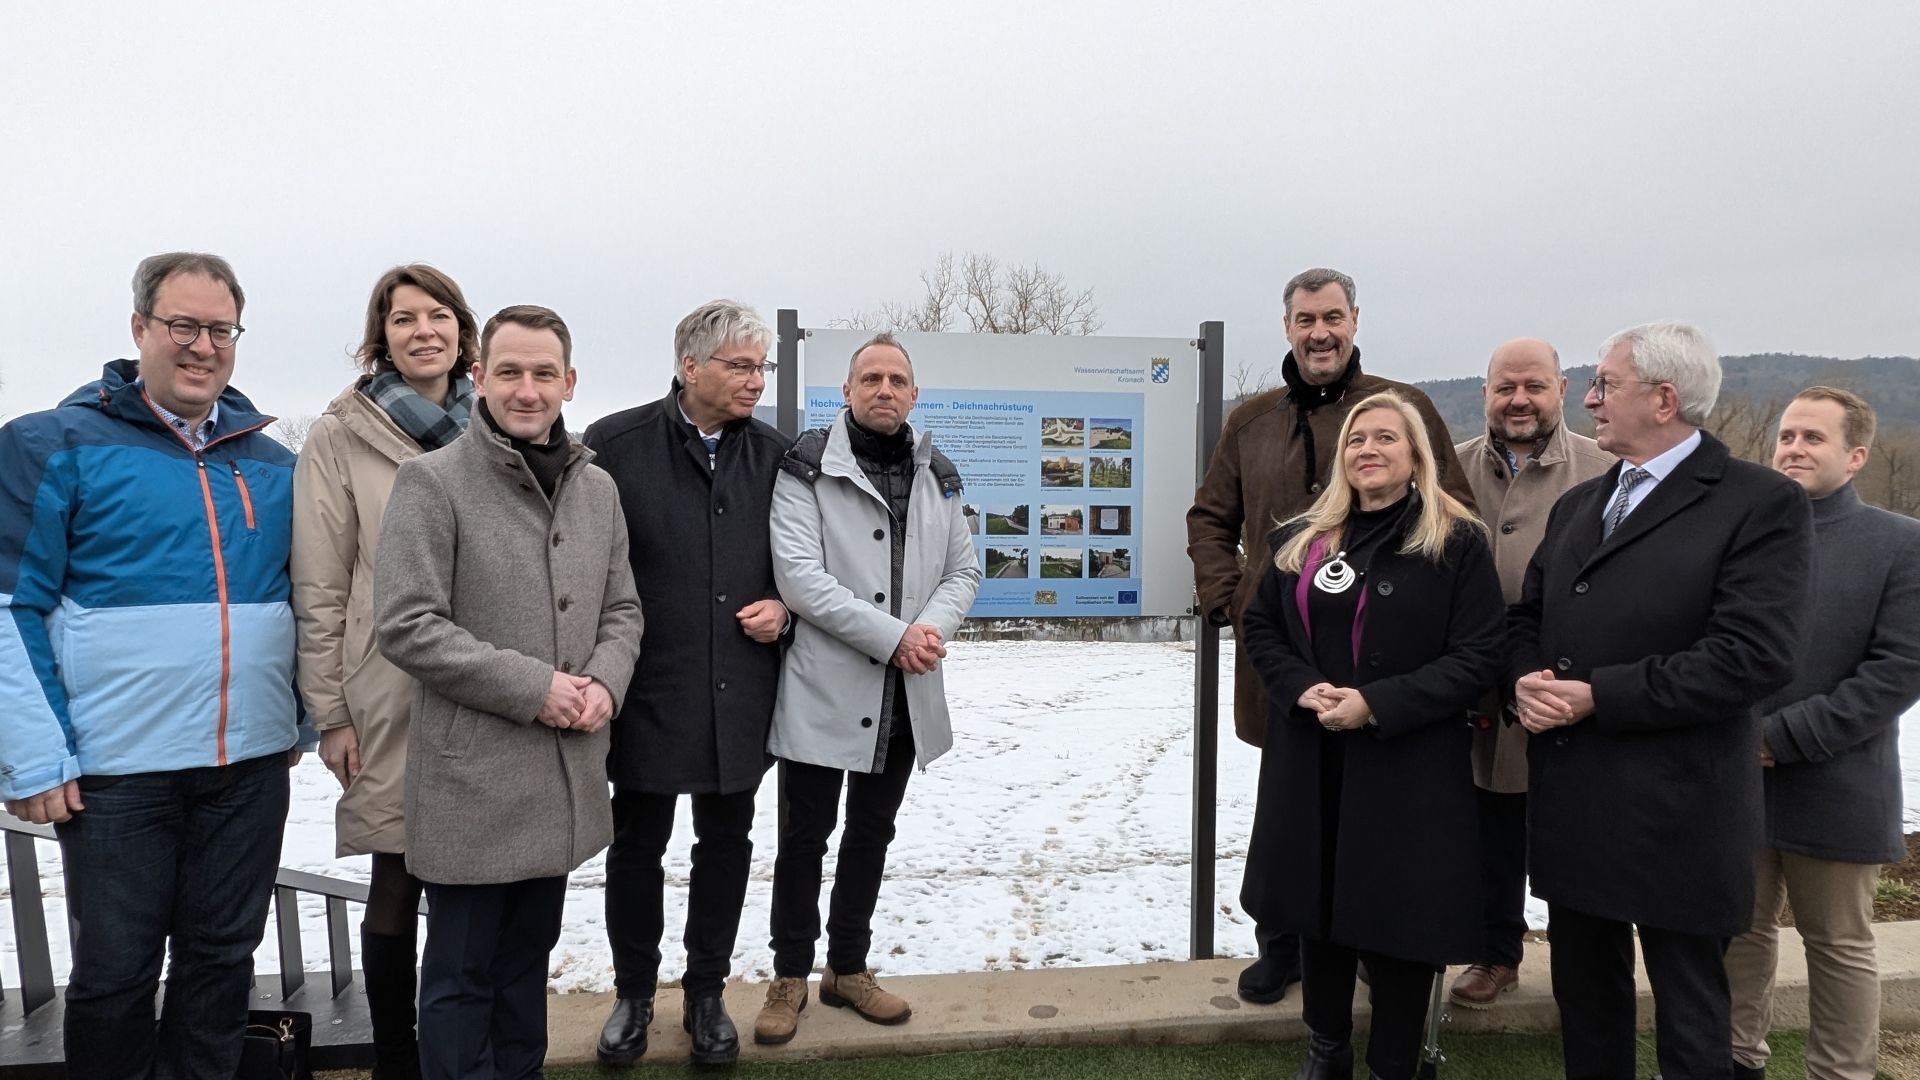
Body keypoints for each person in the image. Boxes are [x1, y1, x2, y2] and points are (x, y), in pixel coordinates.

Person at [0, 252, 311, 1076]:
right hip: (117, 776)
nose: (202, 346)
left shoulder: (272, 463)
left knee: (222, 965)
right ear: (139, 328)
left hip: (249, 769)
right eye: (183, 325)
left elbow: (309, 600)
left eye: (220, 330)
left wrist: (301, 717)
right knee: (115, 977)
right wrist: (33, 754)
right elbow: (7, 605)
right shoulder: (50, 443)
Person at [1511, 321, 1812, 1080]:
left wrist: (1599, 696)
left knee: (1691, 1015)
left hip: (1682, 810)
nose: (1590, 399)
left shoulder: (1760, 502)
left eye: (1605, 385)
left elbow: (1751, 657)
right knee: (1587, 1002)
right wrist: (1523, 679)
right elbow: (1527, 618)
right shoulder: (1581, 504)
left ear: (1665, 399)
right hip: (1578, 801)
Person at [1187, 267, 1474, 1002]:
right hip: (1284, 657)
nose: (1321, 333)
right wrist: (1230, 599)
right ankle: (1283, 944)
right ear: (1287, 327)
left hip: (1389, 665)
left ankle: (1371, 942)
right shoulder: (1250, 422)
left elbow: (1453, 511)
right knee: (1290, 809)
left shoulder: (1402, 409)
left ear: (1355, 321)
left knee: (1377, 813)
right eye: (1307, 319)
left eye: (1333, 318)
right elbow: (1211, 518)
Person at [374, 305, 642, 1079]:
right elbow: (407, 626)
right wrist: (536, 688)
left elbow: (623, 608)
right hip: (472, 789)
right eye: (511, 372)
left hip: (562, 782)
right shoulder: (431, 482)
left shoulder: (598, 490)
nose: (528, 390)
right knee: (460, 979)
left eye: (544, 373)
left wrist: (606, 681)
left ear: (569, 381)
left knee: (526, 968)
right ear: (480, 377)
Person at [1239, 391, 1505, 1080]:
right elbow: (1261, 625)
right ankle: (1327, 1047)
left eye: (1386, 437)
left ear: (1416, 454)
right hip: (1313, 760)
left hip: (1408, 768)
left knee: (1401, 924)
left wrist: (1378, 703)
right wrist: (1300, 685)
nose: (1368, 449)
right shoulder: (1302, 538)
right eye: (1357, 439)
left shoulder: (1456, 541)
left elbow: (1479, 656)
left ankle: (1395, 1062)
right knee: (1318, 910)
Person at [753, 332, 981, 1044]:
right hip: (826, 687)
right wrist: (895, 637)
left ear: (914, 395)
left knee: (872, 834)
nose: (885, 389)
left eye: (897, 380)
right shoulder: (807, 467)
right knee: (804, 839)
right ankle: (789, 975)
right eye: (871, 378)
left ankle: (847, 969)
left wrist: (928, 632)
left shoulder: (939, 474)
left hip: (905, 692)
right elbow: (800, 579)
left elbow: (963, 572)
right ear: (847, 391)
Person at [583, 300, 791, 1068]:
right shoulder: (613, 445)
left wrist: (787, 608)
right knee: (636, 847)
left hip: (741, 691)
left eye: (762, 367)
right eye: (741, 366)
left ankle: (707, 994)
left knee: (726, 845)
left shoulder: (778, 456)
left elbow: (808, 561)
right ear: (690, 367)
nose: (756, 381)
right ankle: (633, 995)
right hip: (645, 690)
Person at [291, 263, 480, 1077]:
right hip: (388, 687)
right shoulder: (342, 433)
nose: (423, 331)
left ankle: (462, 1048)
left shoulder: (502, 421)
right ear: (382, 337)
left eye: (438, 315)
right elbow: (321, 583)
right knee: (397, 875)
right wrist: (330, 713)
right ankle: (399, 1059)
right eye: (404, 319)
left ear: (463, 331)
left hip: (490, 683)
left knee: (479, 882)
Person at [1724, 387, 1920, 1080]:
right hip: (1738, 781)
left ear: (1856, 455)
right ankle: (1734, 1061)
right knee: (1738, 932)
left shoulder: (1899, 544)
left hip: (1839, 781)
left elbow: (1898, 671)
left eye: (1814, 438)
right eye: (1787, 436)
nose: (1794, 448)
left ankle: (1840, 1072)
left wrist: (1780, 738)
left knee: (1838, 945)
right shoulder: (1745, 535)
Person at [1448, 338, 1611, 1009]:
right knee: (1482, 822)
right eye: (1505, 387)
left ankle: (1589, 978)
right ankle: (1495, 951)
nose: (1519, 401)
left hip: (1563, 687)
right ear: (1485, 392)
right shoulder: (1447, 468)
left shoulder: (1606, 470)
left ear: (1562, 390)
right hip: (1464, 684)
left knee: (1568, 834)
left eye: (1534, 387)